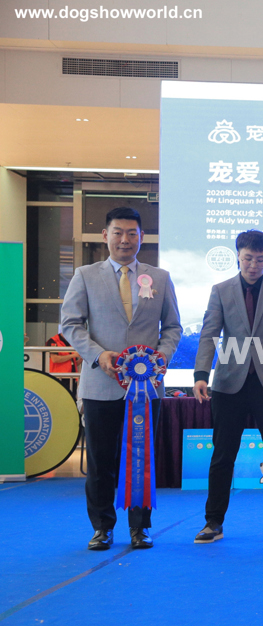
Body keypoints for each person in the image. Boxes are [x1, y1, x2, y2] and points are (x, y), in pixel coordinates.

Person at [61, 207, 182, 551]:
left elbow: (173, 327)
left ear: (142, 237)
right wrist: (98, 355)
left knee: (142, 460)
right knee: (100, 461)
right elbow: (70, 324)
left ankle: (140, 528)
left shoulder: (160, 278)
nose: (125, 240)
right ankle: (102, 527)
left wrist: (161, 357)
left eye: (132, 233)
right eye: (118, 232)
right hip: (100, 384)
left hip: (147, 388)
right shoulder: (85, 275)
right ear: (105, 236)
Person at [192, 230, 263, 543]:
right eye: (248, 259)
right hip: (229, 385)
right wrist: (201, 373)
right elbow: (209, 334)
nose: (254, 265)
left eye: (260, 259)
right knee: (222, 456)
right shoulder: (220, 290)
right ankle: (213, 523)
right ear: (238, 257)